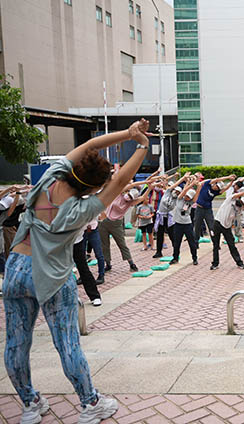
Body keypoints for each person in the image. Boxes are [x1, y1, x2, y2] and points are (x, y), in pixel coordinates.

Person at [3, 118, 152, 423]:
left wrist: (128, 132)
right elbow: (121, 181)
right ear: (93, 186)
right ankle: (90, 403)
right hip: (51, 276)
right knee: (67, 343)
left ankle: (30, 405)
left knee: (16, 342)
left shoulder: (50, 177)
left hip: (15, 267)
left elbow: (89, 145)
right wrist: (142, 144)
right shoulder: (83, 208)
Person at [99, 178, 154, 272]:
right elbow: (132, 185)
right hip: (104, 222)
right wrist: (145, 182)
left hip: (116, 224)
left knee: (122, 244)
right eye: (128, 194)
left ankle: (131, 263)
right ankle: (107, 263)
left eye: (130, 197)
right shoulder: (119, 194)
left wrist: (149, 189)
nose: (128, 197)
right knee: (105, 244)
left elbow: (143, 197)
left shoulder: (131, 202)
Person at [210, 183, 244, 271]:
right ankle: (215, 263)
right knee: (216, 245)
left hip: (227, 227)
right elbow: (240, 194)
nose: (239, 204)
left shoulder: (240, 208)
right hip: (217, 223)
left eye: (241, 204)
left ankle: (239, 262)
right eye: (240, 202)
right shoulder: (230, 199)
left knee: (232, 245)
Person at [193, 175, 235, 242]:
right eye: (216, 186)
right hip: (199, 208)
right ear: (214, 184)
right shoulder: (207, 184)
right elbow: (217, 179)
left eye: (218, 188)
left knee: (211, 226)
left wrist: (231, 182)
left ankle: (215, 242)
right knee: (197, 226)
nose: (216, 188)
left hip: (208, 210)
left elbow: (225, 189)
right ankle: (195, 242)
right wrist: (228, 177)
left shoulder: (216, 192)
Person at [152, 176, 186, 258]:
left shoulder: (177, 199)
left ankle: (176, 252)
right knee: (159, 234)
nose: (176, 192)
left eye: (178, 192)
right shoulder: (167, 192)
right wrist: (183, 178)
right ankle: (158, 252)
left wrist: (187, 183)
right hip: (161, 216)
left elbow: (185, 192)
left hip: (169, 218)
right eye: (175, 190)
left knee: (172, 235)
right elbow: (175, 185)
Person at [170, 177, 202, 265]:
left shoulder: (191, 202)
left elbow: (196, 197)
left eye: (188, 197)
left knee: (192, 243)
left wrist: (198, 187)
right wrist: (190, 183)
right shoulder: (180, 198)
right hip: (178, 224)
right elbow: (184, 191)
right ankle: (175, 258)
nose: (186, 197)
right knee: (177, 243)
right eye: (186, 195)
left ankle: (194, 258)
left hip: (187, 224)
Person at [81, 217, 105, 284]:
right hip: (81, 231)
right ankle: (83, 276)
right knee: (81, 255)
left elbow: (103, 215)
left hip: (93, 230)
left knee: (99, 254)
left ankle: (101, 275)